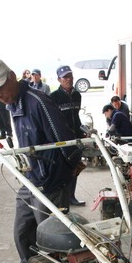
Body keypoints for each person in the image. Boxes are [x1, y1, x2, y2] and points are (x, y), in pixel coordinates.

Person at [0, 59, 82, 263]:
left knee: (53, 238)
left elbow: (64, 138)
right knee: (22, 231)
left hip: (51, 182)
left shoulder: (39, 102)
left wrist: (72, 166)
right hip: (30, 178)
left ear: (13, 77)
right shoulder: (13, 104)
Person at [49, 65, 86, 206]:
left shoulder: (77, 95)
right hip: (61, 139)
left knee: (75, 167)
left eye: (70, 76)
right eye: (65, 77)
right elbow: (53, 121)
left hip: (76, 137)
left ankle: (71, 196)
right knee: (62, 169)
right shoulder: (53, 97)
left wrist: (82, 132)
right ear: (59, 79)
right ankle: (61, 199)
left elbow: (76, 116)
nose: (69, 79)